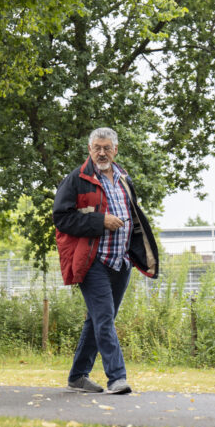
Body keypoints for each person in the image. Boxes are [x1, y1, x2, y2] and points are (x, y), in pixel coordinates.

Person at [53, 127, 159, 395]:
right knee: (104, 320)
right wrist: (100, 221)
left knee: (99, 319)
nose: (102, 152)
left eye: (107, 148)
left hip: (120, 261)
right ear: (89, 150)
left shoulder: (124, 177)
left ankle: (77, 376)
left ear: (115, 150)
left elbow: (133, 215)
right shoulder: (76, 179)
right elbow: (62, 219)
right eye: (97, 147)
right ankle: (117, 378)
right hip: (92, 261)